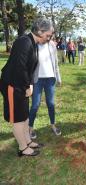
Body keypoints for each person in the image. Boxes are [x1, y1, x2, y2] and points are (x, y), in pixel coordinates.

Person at [0, 17, 54, 157]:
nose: (49, 38)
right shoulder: (24, 42)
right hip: (13, 85)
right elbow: (20, 68)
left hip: (22, 85)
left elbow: (29, 69)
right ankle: (22, 148)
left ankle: (28, 141)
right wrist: (26, 86)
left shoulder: (33, 43)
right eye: (48, 35)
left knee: (25, 116)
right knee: (18, 118)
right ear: (40, 31)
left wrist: (29, 84)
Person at [29, 38, 62, 139]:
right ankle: (30, 128)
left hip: (50, 79)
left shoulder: (52, 45)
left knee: (51, 103)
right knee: (35, 104)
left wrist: (58, 77)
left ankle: (53, 125)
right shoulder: (33, 44)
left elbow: (55, 62)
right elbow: (29, 65)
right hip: (37, 80)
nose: (48, 36)